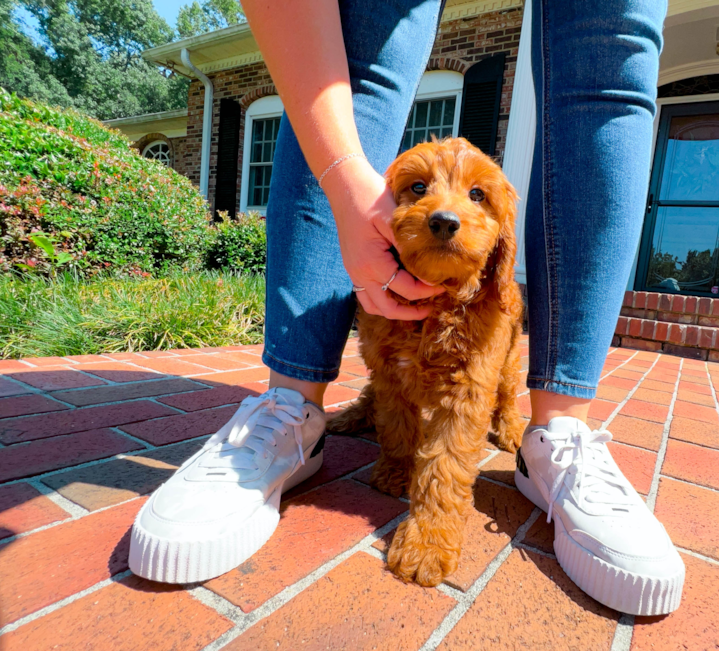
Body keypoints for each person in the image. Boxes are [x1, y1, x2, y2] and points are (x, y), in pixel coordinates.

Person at [129, 0, 685, 616]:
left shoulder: (495, 300)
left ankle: (556, 436)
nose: (444, 211)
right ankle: (291, 411)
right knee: (359, 51)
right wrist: (397, 453)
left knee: (607, 62)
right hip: (389, 331)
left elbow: (456, 411)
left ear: (501, 236)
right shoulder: (377, 294)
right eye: (417, 190)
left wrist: (436, 513)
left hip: (479, 359)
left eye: (475, 197)